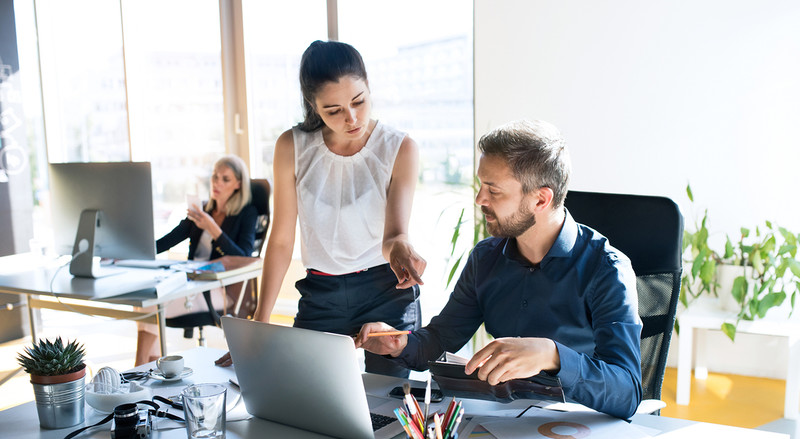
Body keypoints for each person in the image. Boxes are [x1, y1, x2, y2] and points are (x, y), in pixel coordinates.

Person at [355, 120, 643, 419]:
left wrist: (552, 355)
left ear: (541, 199)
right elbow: (441, 339)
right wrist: (401, 344)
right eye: (482, 185)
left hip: (575, 427)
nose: (480, 199)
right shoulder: (486, 259)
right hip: (500, 422)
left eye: (494, 190)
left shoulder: (606, 269)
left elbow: (627, 392)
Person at [215, 40, 426, 377]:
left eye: (359, 101)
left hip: (386, 290)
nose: (352, 117)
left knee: (389, 405)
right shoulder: (293, 146)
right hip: (321, 293)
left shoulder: (399, 147)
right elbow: (282, 240)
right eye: (334, 110)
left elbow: (394, 235)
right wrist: (260, 321)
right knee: (306, 395)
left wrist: (402, 249)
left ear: (369, 85)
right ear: (313, 105)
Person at [135, 155, 257, 366]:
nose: (217, 183)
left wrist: (212, 228)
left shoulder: (247, 214)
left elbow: (243, 256)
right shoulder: (203, 210)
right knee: (146, 299)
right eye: (215, 177)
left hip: (220, 288)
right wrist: (131, 251)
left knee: (152, 304)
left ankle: (140, 365)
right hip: (191, 281)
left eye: (225, 179)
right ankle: (148, 365)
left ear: (238, 184)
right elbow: (166, 241)